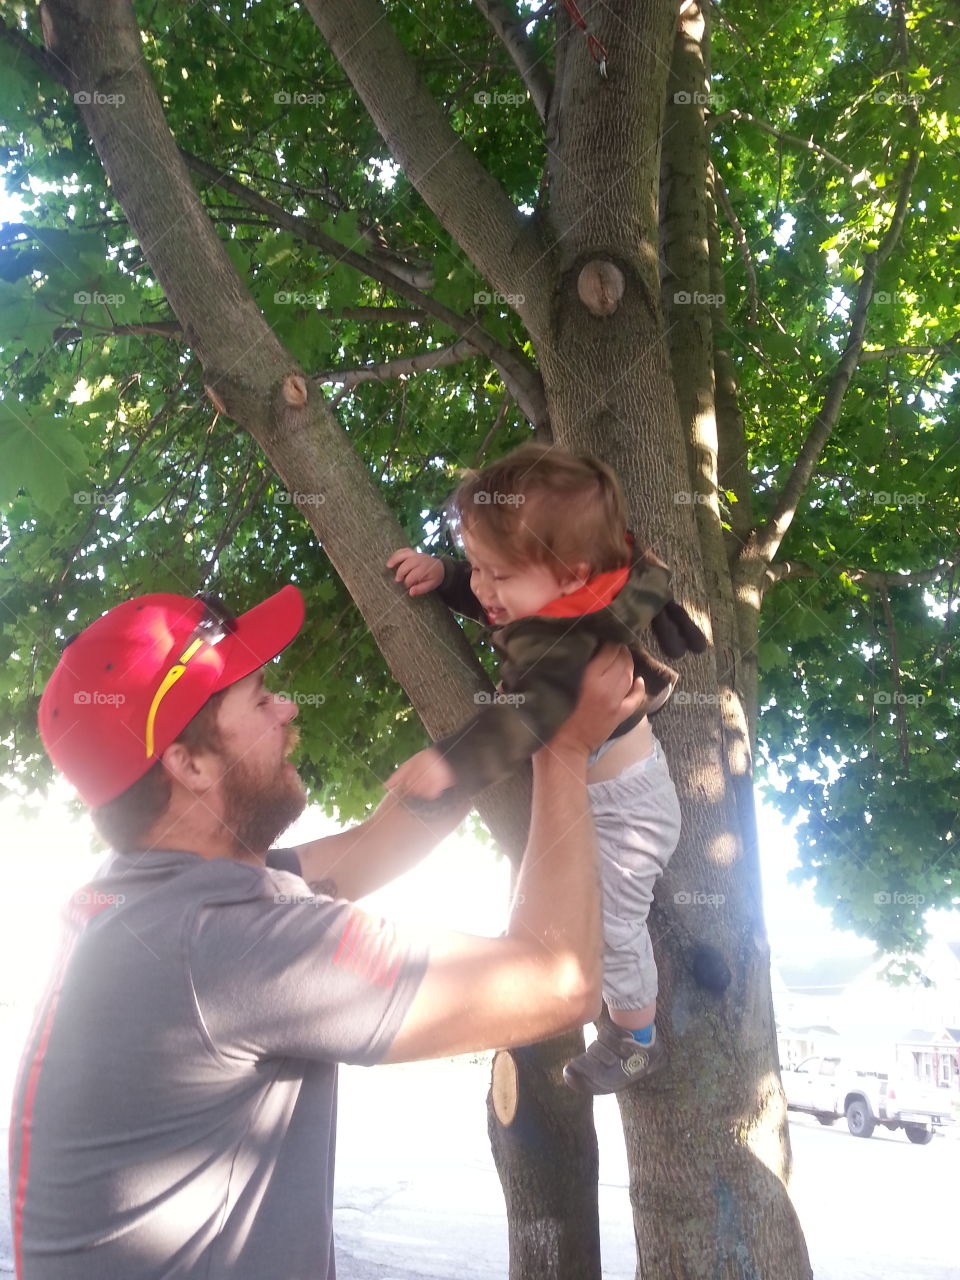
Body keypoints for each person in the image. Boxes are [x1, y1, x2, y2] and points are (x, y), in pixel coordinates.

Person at [9, 584, 641, 1280]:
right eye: (259, 700)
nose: (288, 708)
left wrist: (496, 735)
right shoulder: (228, 943)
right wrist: (564, 746)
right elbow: (559, 982)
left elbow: (369, 850)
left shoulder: (144, 900)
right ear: (189, 764)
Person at [387, 443, 707, 1095]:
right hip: (605, 795)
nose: (483, 587)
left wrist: (450, 764)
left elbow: (521, 720)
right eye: (477, 567)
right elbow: (499, 605)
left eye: (496, 574)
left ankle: (637, 1039)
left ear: (571, 576)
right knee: (572, 904)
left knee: (612, 927)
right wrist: (444, 575)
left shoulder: (568, 646)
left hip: (627, 813)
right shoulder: (562, 595)